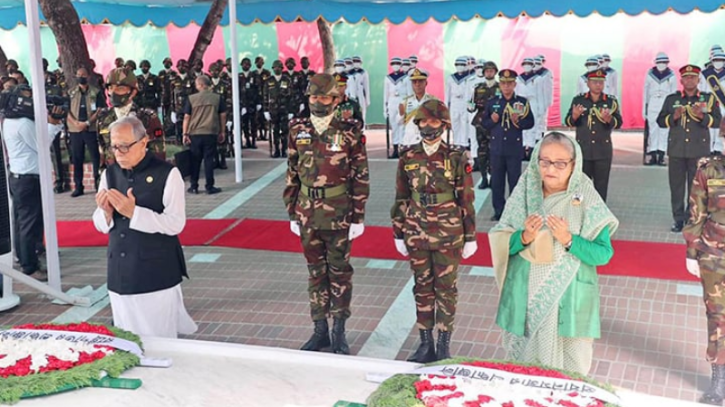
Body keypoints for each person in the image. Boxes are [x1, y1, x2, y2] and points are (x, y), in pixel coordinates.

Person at [490, 131, 619, 375]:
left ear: (574, 164)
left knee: (570, 376)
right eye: (544, 161)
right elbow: (501, 240)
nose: (551, 168)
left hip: (569, 299)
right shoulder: (525, 191)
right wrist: (524, 237)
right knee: (524, 374)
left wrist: (570, 240)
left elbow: (603, 254)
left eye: (560, 163)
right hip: (526, 299)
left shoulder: (586, 194)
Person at [283, 73, 369, 355]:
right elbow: (292, 172)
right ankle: (319, 330)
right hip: (307, 212)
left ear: (337, 99)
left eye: (324, 97)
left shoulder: (350, 130)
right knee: (315, 273)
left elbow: (360, 175)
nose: (318, 102)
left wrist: (358, 216)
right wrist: (292, 211)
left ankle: (339, 331)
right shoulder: (298, 128)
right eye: (314, 97)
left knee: (340, 272)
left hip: (339, 213)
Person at [92, 116, 197, 338]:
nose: (118, 152)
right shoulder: (109, 174)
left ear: (143, 142)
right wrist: (106, 213)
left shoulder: (168, 174)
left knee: (159, 339)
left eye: (124, 146)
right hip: (120, 269)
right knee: (126, 337)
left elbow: (176, 223)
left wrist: (135, 213)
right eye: (114, 147)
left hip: (155, 270)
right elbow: (100, 224)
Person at [391, 99, 477, 362]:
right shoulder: (408, 156)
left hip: (448, 232)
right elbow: (401, 196)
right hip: (416, 229)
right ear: (417, 124)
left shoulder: (457, 156)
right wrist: (398, 231)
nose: (429, 126)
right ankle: (425, 343)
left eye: (434, 121)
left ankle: (443, 343)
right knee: (422, 287)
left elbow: (466, 198)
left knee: (446, 289)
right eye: (424, 121)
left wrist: (470, 236)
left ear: (444, 124)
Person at [2, 85, 64, 281]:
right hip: (29, 178)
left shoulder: (10, 121)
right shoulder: (22, 123)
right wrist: (53, 124)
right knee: (29, 222)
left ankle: (24, 257)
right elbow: (42, 145)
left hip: (20, 177)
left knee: (21, 221)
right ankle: (30, 266)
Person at [683, 125, 725, 405]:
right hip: (714, 253)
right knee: (718, 316)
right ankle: (719, 380)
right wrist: (691, 251)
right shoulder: (709, 169)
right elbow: (696, 210)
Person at [658, 65, 722, 233]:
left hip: (698, 151)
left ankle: (693, 218)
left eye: (693, 77)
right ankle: (678, 219)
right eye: (686, 77)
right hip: (677, 150)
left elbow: (717, 121)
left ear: (698, 79)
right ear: (681, 80)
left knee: (697, 189)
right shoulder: (672, 99)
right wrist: (674, 116)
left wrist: (702, 116)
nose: (690, 80)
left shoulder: (708, 99)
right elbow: (660, 121)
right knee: (677, 187)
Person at [481, 69, 535, 221]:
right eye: (503, 83)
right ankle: (499, 211)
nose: (506, 86)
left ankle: (514, 212)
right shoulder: (493, 102)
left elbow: (530, 122)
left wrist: (518, 121)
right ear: (500, 84)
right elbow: (484, 123)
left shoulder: (522, 102)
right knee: (497, 183)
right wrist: (492, 120)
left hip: (513, 149)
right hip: (497, 149)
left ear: (514, 84)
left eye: (509, 83)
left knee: (515, 182)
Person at [565, 69, 622, 202]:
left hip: (602, 151)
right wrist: (574, 116)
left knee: (601, 187)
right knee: (580, 186)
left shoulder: (610, 102)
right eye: (595, 82)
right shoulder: (579, 100)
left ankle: (599, 218)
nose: (598, 85)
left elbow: (619, 123)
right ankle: (580, 215)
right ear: (588, 83)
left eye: (601, 82)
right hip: (583, 150)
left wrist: (608, 119)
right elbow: (568, 121)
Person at [96, 68, 165, 167]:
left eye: (120, 88)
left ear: (133, 92)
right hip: (114, 177)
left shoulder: (147, 117)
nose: (113, 92)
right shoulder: (103, 117)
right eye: (111, 88)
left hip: (140, 176)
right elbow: (103, 151)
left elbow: (158, 154)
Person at [182, 75, 226, 195]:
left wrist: (185, 133)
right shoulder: (217, 98)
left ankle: (194, 186)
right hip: (210, 132)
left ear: (201, 85)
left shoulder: (191, 99)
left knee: (195, 161)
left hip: (195, 134)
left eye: (196, 85)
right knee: (208, 160)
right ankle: (210, 186)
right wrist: (222, 131)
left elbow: (187, 117)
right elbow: (222, 115)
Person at [66, 67, 106, 197]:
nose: (81, 77)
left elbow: (100, 109)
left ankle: (97, 184)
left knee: (95, 157)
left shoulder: (96, 92)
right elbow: (66, 110)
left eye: (83, 75)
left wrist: (88, 122)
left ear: (88, 76)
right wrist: (76, 123)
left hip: (91, 128)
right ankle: (78, 187)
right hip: (75, 129)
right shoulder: (71, 92)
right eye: (78, 75)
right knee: (77, 158)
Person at [468, 60, 499, 189]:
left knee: (494, 152)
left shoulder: (500, 87)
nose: (489, 73)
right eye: (487, 71)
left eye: (491, 71)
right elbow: (471, 105)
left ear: (495, 72)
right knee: (482, 153)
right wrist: (470, 107)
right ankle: (484, 178)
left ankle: (493, 178)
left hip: (495, 124)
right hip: (481, 124)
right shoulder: (478, 87)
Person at [643, 52, 678, 166]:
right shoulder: (650, 75)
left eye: (664, 62)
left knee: (664, 130)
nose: (661, 64)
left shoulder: (671, 75)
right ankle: (653, 155)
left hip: (665, 103)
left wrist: (673, 110)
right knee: (653, 130)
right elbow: (645, 93)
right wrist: (644, 109)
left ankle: (661, 155)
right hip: (653, 103)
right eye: (659, 62)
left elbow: (674, 94)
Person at [400, 69, 437, 146]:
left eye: (420, 81)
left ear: (426, 83)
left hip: (427, 142)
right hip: (410, 141)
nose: (417, 84)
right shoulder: (405, 102)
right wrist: (401, 113)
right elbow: (399, 122)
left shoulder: (433, 101)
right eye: (414, 82)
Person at [699, 51, 725, 155]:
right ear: (712, 61)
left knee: (719, 126)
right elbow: (701, 90)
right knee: (709, 125)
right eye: (716, 60)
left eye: (720, 60)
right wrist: (702, 104)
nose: (718, 62)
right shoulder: (706, 74)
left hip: (722, 105)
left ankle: (718, 149)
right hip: (709, 104)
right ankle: (708, 148)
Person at [384, 57, 409, 158]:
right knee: (394, 127)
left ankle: (402, 149)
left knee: (402, 126)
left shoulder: (406, 78)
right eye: (393, 63)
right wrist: (385, 108)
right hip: (392, 102)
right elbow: (385, 94)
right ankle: (395, 149)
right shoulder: (388, 78)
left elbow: (409, 93)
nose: (395, 65)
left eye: (398, 63)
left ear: (401, 65)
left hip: (402, 102)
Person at [446, 57, 472, 148]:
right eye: (458, 65)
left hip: (464, 103)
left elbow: (470, 93)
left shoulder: (469, 78)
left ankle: (464, 143)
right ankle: (456, 143)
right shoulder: (451, 78)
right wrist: (446, 106)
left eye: (462, 65)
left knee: (464, 123)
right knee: (455, 123)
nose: (460, 67)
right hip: (454, 103)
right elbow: (447, 93)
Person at [238, 57, 259, 149]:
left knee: (254, 123)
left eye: (247, 64)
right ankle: (247, 141)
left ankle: (254, 141)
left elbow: (258, 89)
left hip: (252, 103)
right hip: (242, 104)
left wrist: (259, 102)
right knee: (244, 124)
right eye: (244, 64)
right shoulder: (238, 76)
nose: (245, 66)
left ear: (250, 65)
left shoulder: (254, 75)